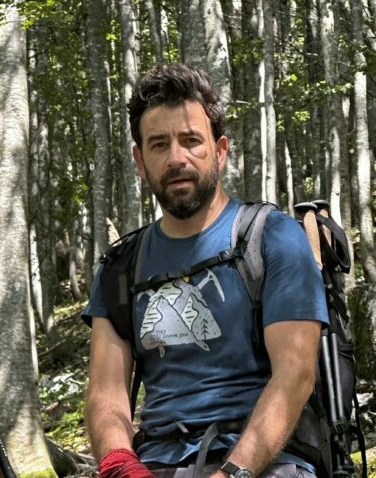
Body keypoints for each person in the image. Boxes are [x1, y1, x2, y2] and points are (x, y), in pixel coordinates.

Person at [82, 63, 328, 478]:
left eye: (191, 141)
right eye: (159, 145)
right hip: (156, 461)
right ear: (140, 161)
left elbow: (295, 374)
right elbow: (106, 392)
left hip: (267, 462)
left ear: (220, 150)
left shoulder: (273, 239)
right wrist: (120, 464)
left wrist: (233, 473)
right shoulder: (121, 266)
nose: (176, 157)